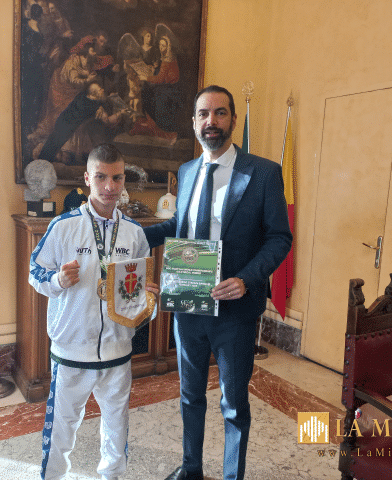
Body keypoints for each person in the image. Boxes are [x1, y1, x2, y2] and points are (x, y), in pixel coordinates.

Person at [143, 85, 292, 480]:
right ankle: (191, 469)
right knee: (190, 395)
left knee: (233, 404)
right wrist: (132, 235)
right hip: (188, 303)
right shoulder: (187, 171)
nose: (211, 121)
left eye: (220, 113)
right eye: (203, 114)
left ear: (233, 120)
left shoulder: (263, 173)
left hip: (235, 311)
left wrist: (246, 279)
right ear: (194, 123)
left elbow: (280, 238)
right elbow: (180, 226)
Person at [29, 143, 159, 480]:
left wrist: (149, 302)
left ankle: (111, 476)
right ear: (87, 178)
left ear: (124, 180)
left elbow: (138, 292)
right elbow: (34, 271)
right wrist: (57, 280)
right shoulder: (63, 226)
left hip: (118, 351)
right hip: (71, 351)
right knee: (61, 427)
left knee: (117, 426)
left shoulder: (134, 233)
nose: (109, 186)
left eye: (117, 178)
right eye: (101, 177)